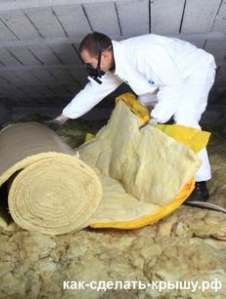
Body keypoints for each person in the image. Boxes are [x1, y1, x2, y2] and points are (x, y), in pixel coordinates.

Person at [46, 32, 216, 202]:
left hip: (193, 71)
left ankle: (200, 185)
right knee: (142, 112)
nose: (90, 68)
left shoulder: (143, 52)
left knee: (184, 119)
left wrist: (156, 118)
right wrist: (62, 117)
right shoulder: (113, 63)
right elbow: (93, 91)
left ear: (104, 55)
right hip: (164, 81)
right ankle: (164, 167)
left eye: (90, 63)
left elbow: (173, 86)